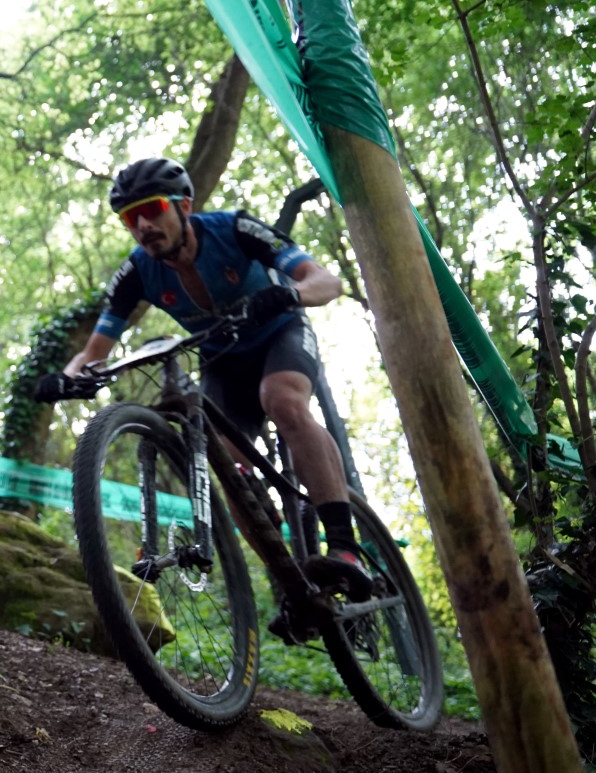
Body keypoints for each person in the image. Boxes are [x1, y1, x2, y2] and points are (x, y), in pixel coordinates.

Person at [37, 157, 365, 572]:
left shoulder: (234, 229)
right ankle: (288, 581)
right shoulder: (136, 272)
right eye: (130, 219)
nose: (142, 226)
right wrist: (68, 381)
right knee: (223, 459)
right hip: (222, 359)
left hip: (280, 336)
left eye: (151, 210)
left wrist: (290, 295)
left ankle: (345, 548)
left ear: (184, 206)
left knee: (281, 400)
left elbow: (325, 281)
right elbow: (93, 352)